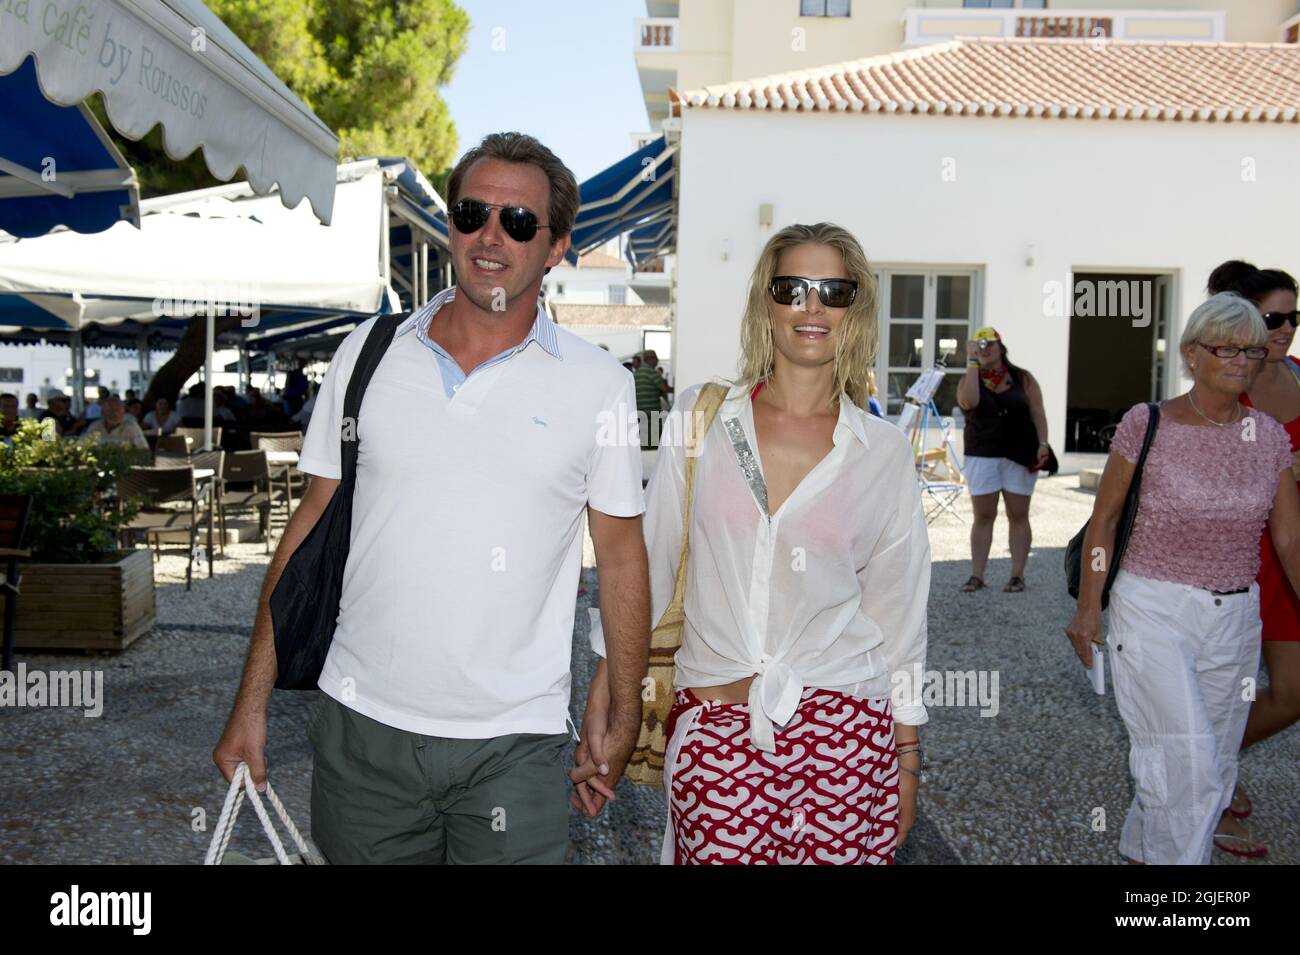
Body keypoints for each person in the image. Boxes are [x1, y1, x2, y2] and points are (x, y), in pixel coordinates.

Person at [214, 131, 648, 865]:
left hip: (516, 743)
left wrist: (624, 699)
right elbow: (310, 523)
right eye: (472, 211)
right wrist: (250, 700)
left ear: (556, 247)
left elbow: (622, 556)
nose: (489, 236)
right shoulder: (367, 353)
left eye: (518, 222)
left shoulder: (597, 383)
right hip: (362, 732)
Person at [576, 223, 929, 864]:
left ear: (857, 309)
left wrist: (907, 759)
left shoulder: (882, 454)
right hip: (716, 731)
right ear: (766, 302)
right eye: (792, 287)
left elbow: (898, 615)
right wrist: (607, 688)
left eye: (833, 290)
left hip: (848, 733)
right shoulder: (700, 420)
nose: (812, 305)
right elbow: (647, 563)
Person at [1065, 292, 1300, 865]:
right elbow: (1106, 521)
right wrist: (1089, 608)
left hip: (1236, 617)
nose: (1241, 359)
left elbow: (1290, 538)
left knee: (1214, 764)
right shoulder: (1147, 424)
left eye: (1250, 347)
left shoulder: (1269, 437)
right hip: (1151, 608)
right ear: (1192, 353)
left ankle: (1144, 850)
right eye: (1226, 347)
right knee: (1186, 764)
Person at [1206, 261, 1300, 857]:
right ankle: (1204, 789)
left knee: (1292, 692)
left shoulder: (1298, 375)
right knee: (1221, 689)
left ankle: (1204, 762)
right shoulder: (1223, 384)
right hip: (1234, 555)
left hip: (1291, 551)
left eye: (1294, 316)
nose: (1286, 328)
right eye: (1273, 318)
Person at [956, 327, 1050, 593]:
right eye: (980, 345)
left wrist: (1043, 444)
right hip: (982, 452)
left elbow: (1038, 412)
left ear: (1001, 347)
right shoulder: (970, 377)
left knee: (1018, 514)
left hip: (1019, 453)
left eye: (990, 344)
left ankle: (1017, 575)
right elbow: (969, 401)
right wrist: (972, 362)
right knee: (983, 515)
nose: (985, 349)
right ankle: (977, 575)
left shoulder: (1023, 378)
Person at [633, 349, 672, 448]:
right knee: (654, 444)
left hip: (639, 414)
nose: (657, 361)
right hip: (652, 415)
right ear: (649, 359)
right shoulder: (652, 372)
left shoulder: (636, 374)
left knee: (643, 443)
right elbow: (665, 389)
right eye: (655, 358)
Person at [81, 396, 149, 452]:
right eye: (110, 410)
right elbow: (81, 446)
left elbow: (144, 451)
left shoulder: (131, 427)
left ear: (123, 411)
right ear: (103, 413)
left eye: (118, 409)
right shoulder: (95, 426)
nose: (115, 413)